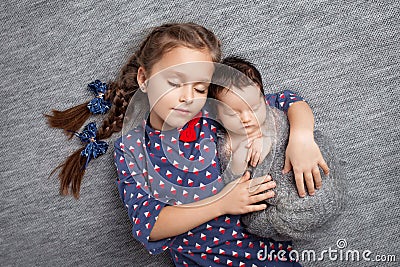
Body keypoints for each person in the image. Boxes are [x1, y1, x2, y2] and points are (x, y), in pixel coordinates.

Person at [44, 23, 317, 266]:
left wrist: (301, 138)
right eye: (175, 82)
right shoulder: (132, 149)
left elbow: (287, 100)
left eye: (199, 88)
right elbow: (149, 225)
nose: (188, 97)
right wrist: (222, 203)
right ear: (144, 79)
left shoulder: (217, 111)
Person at [209, 56, 345, 241]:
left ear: (263, 99)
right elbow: (233, 179)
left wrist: (267, 134)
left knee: (321, 162)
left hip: (307, 169)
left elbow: (293, 107)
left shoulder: (273, 110)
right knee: (255, 222)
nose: (247, 118)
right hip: (277, 204)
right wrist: (240, 150)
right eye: (233, 113)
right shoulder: (222, 143)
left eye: (254, 106)